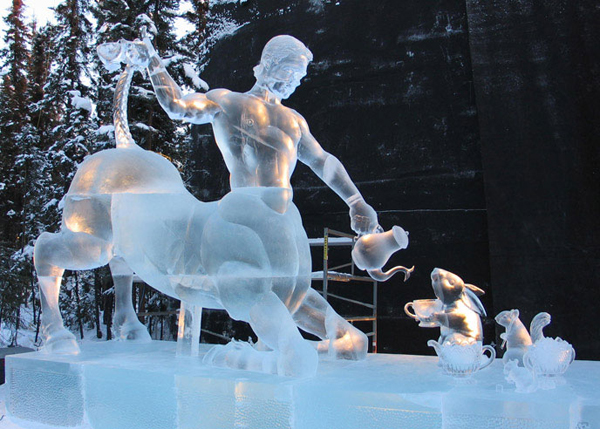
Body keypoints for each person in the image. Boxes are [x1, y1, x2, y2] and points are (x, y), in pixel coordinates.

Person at [135, 35, 381, 376]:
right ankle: (284, 348)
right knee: (260, 291)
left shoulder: (294, 120)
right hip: (244, 213)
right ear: (269, 65)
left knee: (294, 294)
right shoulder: (227, 102)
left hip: (284, 218)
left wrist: (355, 200)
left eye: (299, 77)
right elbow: (177, 105)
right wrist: (152, 62)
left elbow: (324, 161)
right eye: (291, 72)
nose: (294, 82)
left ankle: (309, 341)